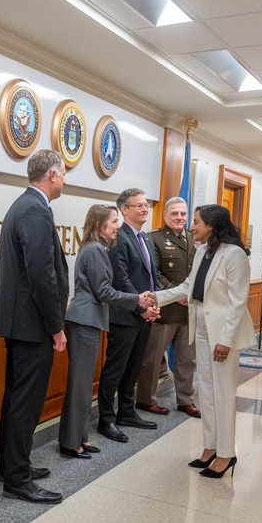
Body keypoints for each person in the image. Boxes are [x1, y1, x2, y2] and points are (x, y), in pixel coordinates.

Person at [148, 204, 254, 478]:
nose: (192, 226)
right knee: (206, 391)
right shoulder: (203, 252)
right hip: (203, 330)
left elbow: (237, 302)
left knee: (223, 393)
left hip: (223, 336)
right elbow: (187, 287)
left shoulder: (235, 255)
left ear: (212, 225)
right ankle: (210, 446)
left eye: (196, 222)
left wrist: (226, 340)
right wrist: (155, 297)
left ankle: (227, 453)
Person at [0, 149, 69, 504]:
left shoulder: (23, 205)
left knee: (16, 398)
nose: (65, 180)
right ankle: (18, 479)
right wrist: (56, 327)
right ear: (51, 175)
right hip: (33, 325)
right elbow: (42, 276)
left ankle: (12, 466)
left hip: (19, 322)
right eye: (64, 173)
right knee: (25, 402)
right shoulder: (35, 210)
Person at [59, 204, 152, 458]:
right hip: (84, 321)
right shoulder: (95, 250)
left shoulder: (96, 248)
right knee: (80, 385)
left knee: (84, 383)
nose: (117, 226)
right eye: (113, 221)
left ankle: (81, 438)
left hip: (89, 320)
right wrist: (137, 299)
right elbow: (104, 292)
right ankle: (70, 443)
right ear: (100, 225)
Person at [96, 188, 161, 444]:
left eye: (146, 205)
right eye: (139, 205)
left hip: (144, 314)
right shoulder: (118, 238)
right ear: (124, 209)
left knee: (134, 367)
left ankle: (126, 411)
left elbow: (151, 276)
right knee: (115, 369)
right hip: (125, 315)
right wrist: (141, 306)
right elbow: (120, 278)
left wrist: (155, 303)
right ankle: (106, 419)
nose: (145, 209)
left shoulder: (145, 238)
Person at [138, 196, 199, 418]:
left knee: (187, 360)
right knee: (152, 359)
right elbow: (155, 273)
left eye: (183, 213)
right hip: (165, 310)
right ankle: (146, 400)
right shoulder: (154, 238)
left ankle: (185, 400)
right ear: (165, 215)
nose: (179, 218)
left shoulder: (194, 238)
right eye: (174, 213)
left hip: (188, 311)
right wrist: (176, 294)